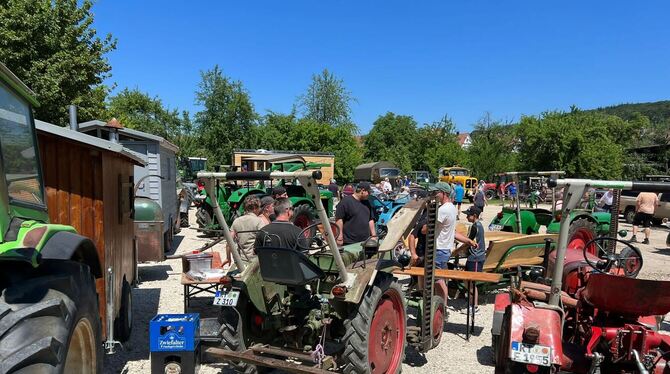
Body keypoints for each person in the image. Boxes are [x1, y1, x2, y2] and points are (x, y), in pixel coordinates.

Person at [432, 182, 477, 270]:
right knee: (440, 277)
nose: (434, 194)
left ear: (444, 193)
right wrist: (468, 241)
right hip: (445, 250)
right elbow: (453, 232)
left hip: (439, 249)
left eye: (436, 192)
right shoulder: (452, 208)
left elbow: (426, 229)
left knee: (437, 279)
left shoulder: (443, 210)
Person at [455, 206, 486, 314]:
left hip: (476, 258)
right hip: (473, 257)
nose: (467, 216)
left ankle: (474, 306)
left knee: (472, 283)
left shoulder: (475, 227)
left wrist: (457, 251)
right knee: (467, 281)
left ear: (475, 216)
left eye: (468, 215)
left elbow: (469, 242)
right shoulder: (476, 225)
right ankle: (471, 302)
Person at [227, 195, 264, 266]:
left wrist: (228, 257)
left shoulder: (236, 221)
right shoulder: (258, 221)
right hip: (255, 260)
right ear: (255, 208)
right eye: (259, 207)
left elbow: (229, 242)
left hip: (241, 260)